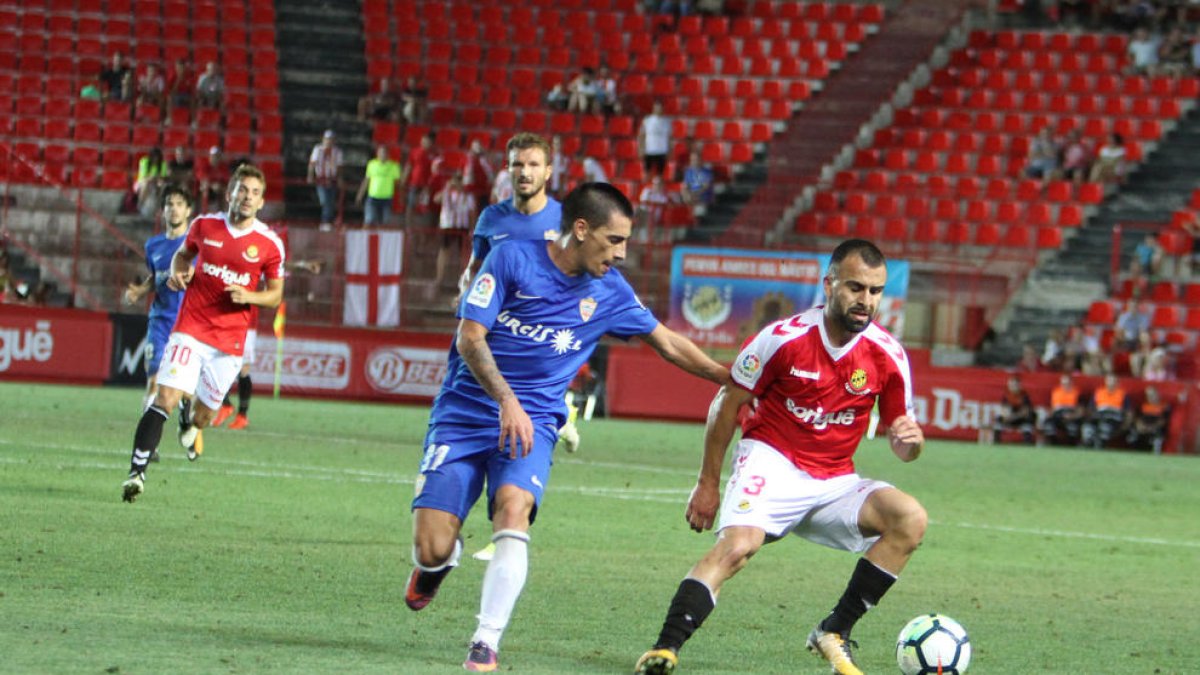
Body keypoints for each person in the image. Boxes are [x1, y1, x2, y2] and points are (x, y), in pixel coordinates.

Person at [406, 182, 730, 672]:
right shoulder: (511, 259)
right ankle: (436, 567)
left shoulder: (609, 291)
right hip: (465, 413)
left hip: (531, 423)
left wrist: (734, 379)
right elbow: (470, 338)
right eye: (614, 240)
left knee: (514, 510)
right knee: (431, 546)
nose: (621, 254)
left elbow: (667, 343)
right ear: (581, 230)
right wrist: (505, 399)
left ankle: (484, 641)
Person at [635, 239, 926, 675]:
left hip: (834, 482)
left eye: (875, 291)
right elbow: (726, 404)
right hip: (771, 461)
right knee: (739, 546)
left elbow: (904, 447)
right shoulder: (781, 340)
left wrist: (911, 440)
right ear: (828, 285)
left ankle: (834, 630)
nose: (866, 300)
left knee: (910, 518)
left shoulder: (888, 356)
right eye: (855, 288)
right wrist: (708, 483)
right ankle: (664, 649)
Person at [120, 165, 285, 503]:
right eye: (241, 189)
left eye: (254, 192)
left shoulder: (270, 244)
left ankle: (189, 419)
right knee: (162, 397)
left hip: (229, 345)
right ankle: (136, 473)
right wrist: (179, 273)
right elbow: (183, 256)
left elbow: (276, 294)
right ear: (229, 193)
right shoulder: (204, 226)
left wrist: (250, 296)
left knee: (204, 417)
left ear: (262, 201)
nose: (246, 197)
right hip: (190, 331)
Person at [123, 185, 194, 417]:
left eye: (179, 205)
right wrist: (140, 290)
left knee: (184, 389)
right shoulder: (153, 246)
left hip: (188, 324)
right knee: (154, 379)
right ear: (162, 211)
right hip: (160, 321)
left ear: (188, 211)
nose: (174, 209)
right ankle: (147, 444)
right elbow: (156, 277)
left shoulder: (195, 246)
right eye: (169, 205)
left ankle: (186, 413)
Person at [434, 173, 476, 289]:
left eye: (459, 181)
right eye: (455, 180)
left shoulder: (468, 196)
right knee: (444, 251)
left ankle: (462, 278)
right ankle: (439, 278)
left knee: (462, 254)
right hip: (447, 225)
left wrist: (472, 229)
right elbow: (436, 199)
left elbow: (471, 213)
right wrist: (446, 188)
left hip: (462, 226)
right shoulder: (447, 194)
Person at [355, 144, 403, 228]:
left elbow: (398, 184)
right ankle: (362, 238)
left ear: (388, 154)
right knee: (368, 220)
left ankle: (382, 240)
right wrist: (360, 194)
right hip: (372, 197)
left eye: (384, 153)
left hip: (386, 199)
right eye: (380, 153)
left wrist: (401, 197)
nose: (382, 155)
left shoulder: (394, 166)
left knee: (384, 222)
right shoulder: (371, 164)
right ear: (377, 154)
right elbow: (366, 180)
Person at [1080, 373, 1130, 449]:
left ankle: (1100, 444)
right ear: (1105, 381)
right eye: (1109, 380)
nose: (1111, 383)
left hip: (1114, 417)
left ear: (1117, 382)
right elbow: (1090, 408)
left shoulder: (1122, 394)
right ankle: (1088, 443)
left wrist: (1125, 425)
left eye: (1113, 381)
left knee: (1105, 426)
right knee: (1088, 426)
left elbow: (1128, 412)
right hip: (1099, 415)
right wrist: (1089, 417)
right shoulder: (1099, 393)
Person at [308, 130, 344, 229]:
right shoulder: (317, 149)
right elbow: (312, 163)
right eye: (327, 139)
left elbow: (340, 167)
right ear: (324, 139)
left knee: (330, 201)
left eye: (331, 139)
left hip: (332, 179)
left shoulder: (337, 152)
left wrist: (340, 178)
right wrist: (310, 175)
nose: (329, 141)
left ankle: (326, 222)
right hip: (321, 179)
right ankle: (326, 221)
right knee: (325, 200)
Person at [991, 375, 1036, 444]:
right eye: (1011, 385)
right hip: (1010, 418)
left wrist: (1014, 416)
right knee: (998, 420)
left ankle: (1028, 444)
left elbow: (1025, 412)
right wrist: (1007, 416)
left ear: (1019, 386)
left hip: (1021, 419)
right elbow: (1004, 412)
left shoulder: (1024, 396)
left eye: (1015, 385)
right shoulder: (1006, 396)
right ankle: (996, 443)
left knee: (1030, 419)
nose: (1012, 387)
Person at [1125, 386, 1170, 453]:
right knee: (1133, 432)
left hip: (1155, 428)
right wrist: (1140, 425)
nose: (1150, 397)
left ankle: (1156, 452)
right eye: (1148, 395)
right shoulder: (1143, 406)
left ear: (1157, 394)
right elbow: (1137, 418)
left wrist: (1151, 427)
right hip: (1143, 427)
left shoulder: (1164, 406)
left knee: (1158, 434)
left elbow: (1163, 421)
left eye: (1152, 395)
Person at [405, 132, 436, 225]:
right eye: (424, 141)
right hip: (414, 183)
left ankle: (421, 226)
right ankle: (409, 226)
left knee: (423, 206)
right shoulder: (414, 152)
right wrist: (404, 179)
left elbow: (434, 171)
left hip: (426, 185)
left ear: (431, 143)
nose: (425, 143)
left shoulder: (433, 154)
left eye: (427, 141)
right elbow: (409, 166)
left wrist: (430, 185)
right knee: (411, 205)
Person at [134, 147, 170, 218]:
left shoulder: (163, 164)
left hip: (155, 183)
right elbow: (144, 177)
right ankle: (139, 205)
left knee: (162, 185)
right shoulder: (144, 162)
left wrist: (156, 179)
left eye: (157, 157)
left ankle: (159, 207)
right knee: (146, 184)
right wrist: (154, 177)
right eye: (154, 157)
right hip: (141, 183)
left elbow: (162, 178)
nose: (155, 159)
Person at [638, 101, 671, 176]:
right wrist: (641, 148)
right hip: (649, 150)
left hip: (662, 150)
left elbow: (669, 137)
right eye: (657, 108)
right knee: (646, 173)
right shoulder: (647, 120)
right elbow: (641, 135)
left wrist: (670, 149)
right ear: (653, 109)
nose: (658, 110)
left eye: (660, 108)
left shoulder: (667, 121)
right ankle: (645, 187)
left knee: (660, 173)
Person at [196, 146, 231, 211]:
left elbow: (227, 180)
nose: (215, 158)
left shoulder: (223, 167)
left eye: (217, 157)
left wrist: (220, 186)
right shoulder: (205, 166)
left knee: (226, 191)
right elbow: (203, 180)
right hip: (207, 188)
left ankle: (223, 212)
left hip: (219, 188)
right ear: (210, 157)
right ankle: (204, 211)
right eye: (213, 156)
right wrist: (212, 186)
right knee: (205, 189)